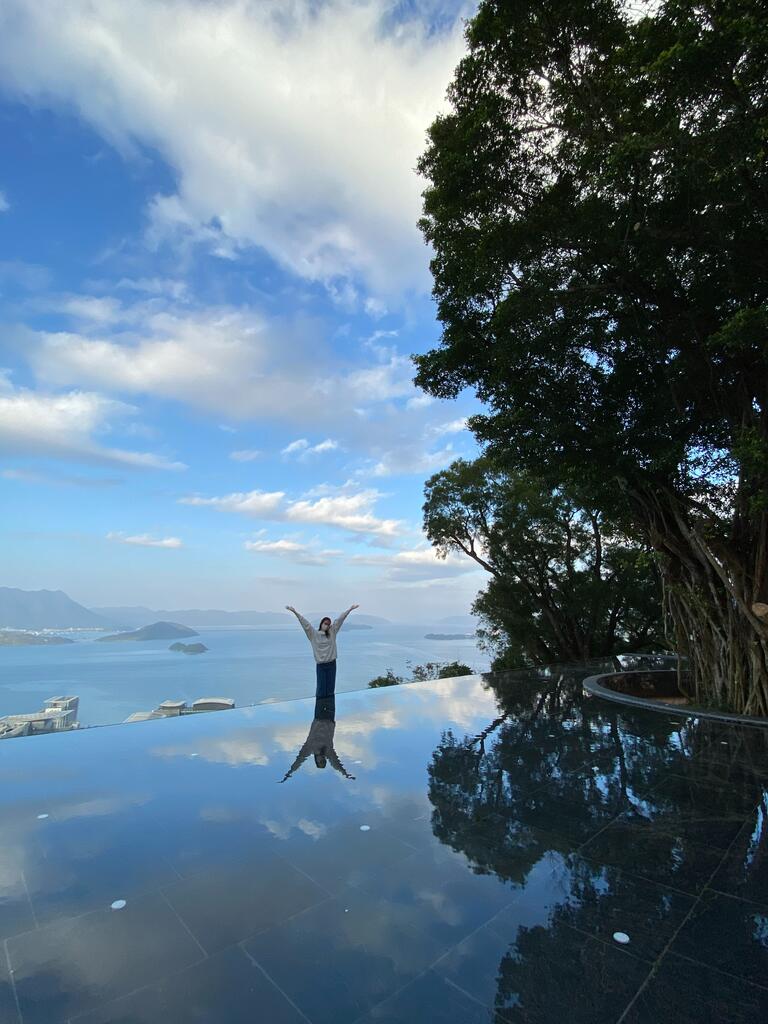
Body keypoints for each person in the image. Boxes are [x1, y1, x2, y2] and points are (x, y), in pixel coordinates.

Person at [285, 603, 359, 697]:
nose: (327, 626)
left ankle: (330, 709)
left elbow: (339, 620)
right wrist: (295, 612)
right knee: (321, 690)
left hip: (332, 664)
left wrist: (350, 609)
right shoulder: (313, 635)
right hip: (321, 666)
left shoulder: (332, 633)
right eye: (325, 623)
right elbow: (306, 624)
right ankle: (320, 709)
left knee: (330, 689)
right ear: (321, 624)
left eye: (329, 624)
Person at [278, 697, 355, 782]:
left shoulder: (309, 748)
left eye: (320, 762)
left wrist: (289, 772)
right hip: (330, 716)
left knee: (321, 692)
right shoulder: (328, 752)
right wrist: (345, 773)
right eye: (323, 762)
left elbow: (299, 760)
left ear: (316, 760)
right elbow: (336, 764)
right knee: (330, 691)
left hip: (319, 717)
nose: (322, 760)